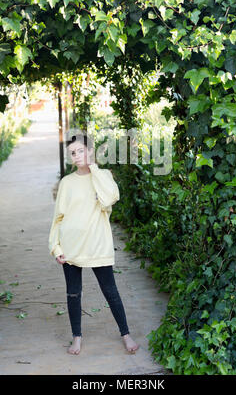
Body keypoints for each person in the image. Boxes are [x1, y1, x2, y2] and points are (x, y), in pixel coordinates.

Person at [48, 133, 139, 355]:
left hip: (98, 245)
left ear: (89, 151)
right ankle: (77, 338)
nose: (77, 156)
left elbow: (111, 197)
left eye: (81, 151)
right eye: (73, 153)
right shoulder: (67, 183)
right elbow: (57, 219)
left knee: (111, 291)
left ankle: (126, 335)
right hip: (71, 247)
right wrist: (56, 247)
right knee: (73, 293)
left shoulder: (103, 176)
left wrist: (94, 169)